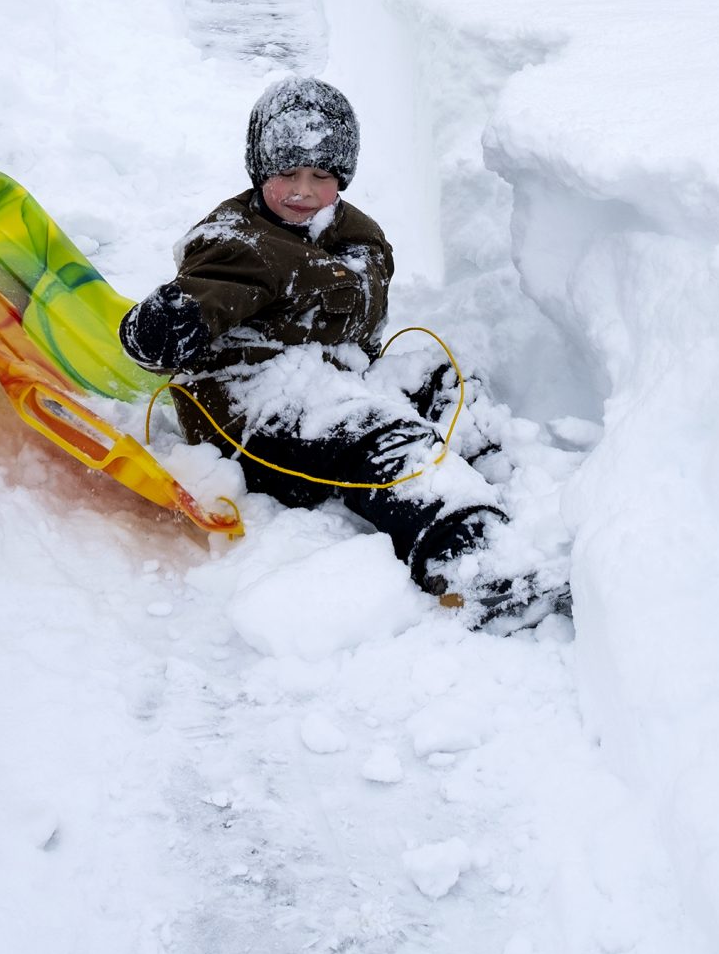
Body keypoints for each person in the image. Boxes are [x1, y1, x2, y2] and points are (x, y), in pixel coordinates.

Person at [121, 78, 561, 626]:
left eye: (321, 176)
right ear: (260, 170)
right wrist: (165, 327)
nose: (303, 191)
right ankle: (475, 561)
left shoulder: (352, 230)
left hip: (335, 376)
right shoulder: (237, 244)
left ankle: (498, 474)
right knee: (377, 435)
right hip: (253, 410)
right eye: (286, 174)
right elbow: (198, 301)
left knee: (441, 375)